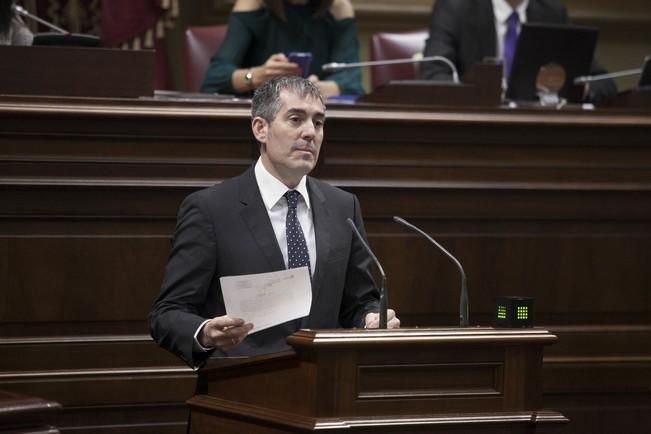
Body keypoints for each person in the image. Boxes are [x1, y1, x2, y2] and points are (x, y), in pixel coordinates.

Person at [150, 76, 399, 369]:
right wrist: (204, 332)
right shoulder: (210, 209)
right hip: (242, 387)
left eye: (318, 123)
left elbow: (358, 300)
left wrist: (371, 318)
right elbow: (167, 313)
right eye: (296, 119)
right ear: (261, 129)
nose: (310, 132)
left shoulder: (343, 206)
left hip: (325, 387)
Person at [420, 0, 617, 103]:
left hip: (539, 133)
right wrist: (481, 92)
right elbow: (433, 74)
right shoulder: (456, 7)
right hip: (476, 131)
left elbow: (603, 81)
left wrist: (579, 88)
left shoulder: (552, 11)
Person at [200, 0, 364, 98]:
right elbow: (215, 79)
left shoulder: (337, 8)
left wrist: (314, 89)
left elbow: (352, 82)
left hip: (318, 121)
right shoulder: (254, 5)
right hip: (260, 120)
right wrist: (257, 76)